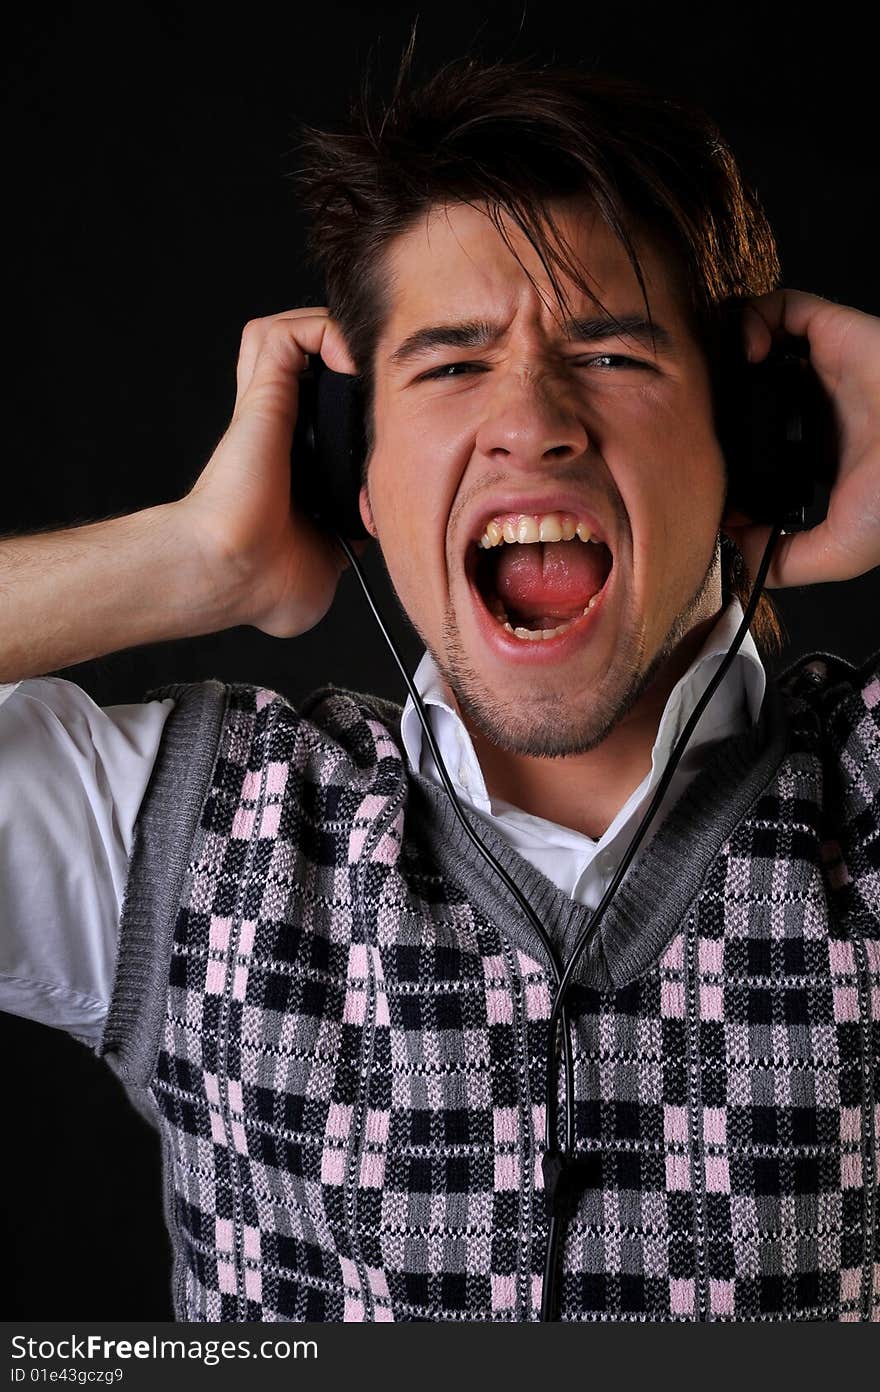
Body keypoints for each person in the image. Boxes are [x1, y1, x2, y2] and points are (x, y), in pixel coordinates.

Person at [1, 43, 878, 1323]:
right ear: (352, 467)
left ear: (751, 447)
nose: (532, 420)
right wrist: (194, 559)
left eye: (616, 356)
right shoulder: (177, 834)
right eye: (450, 363)